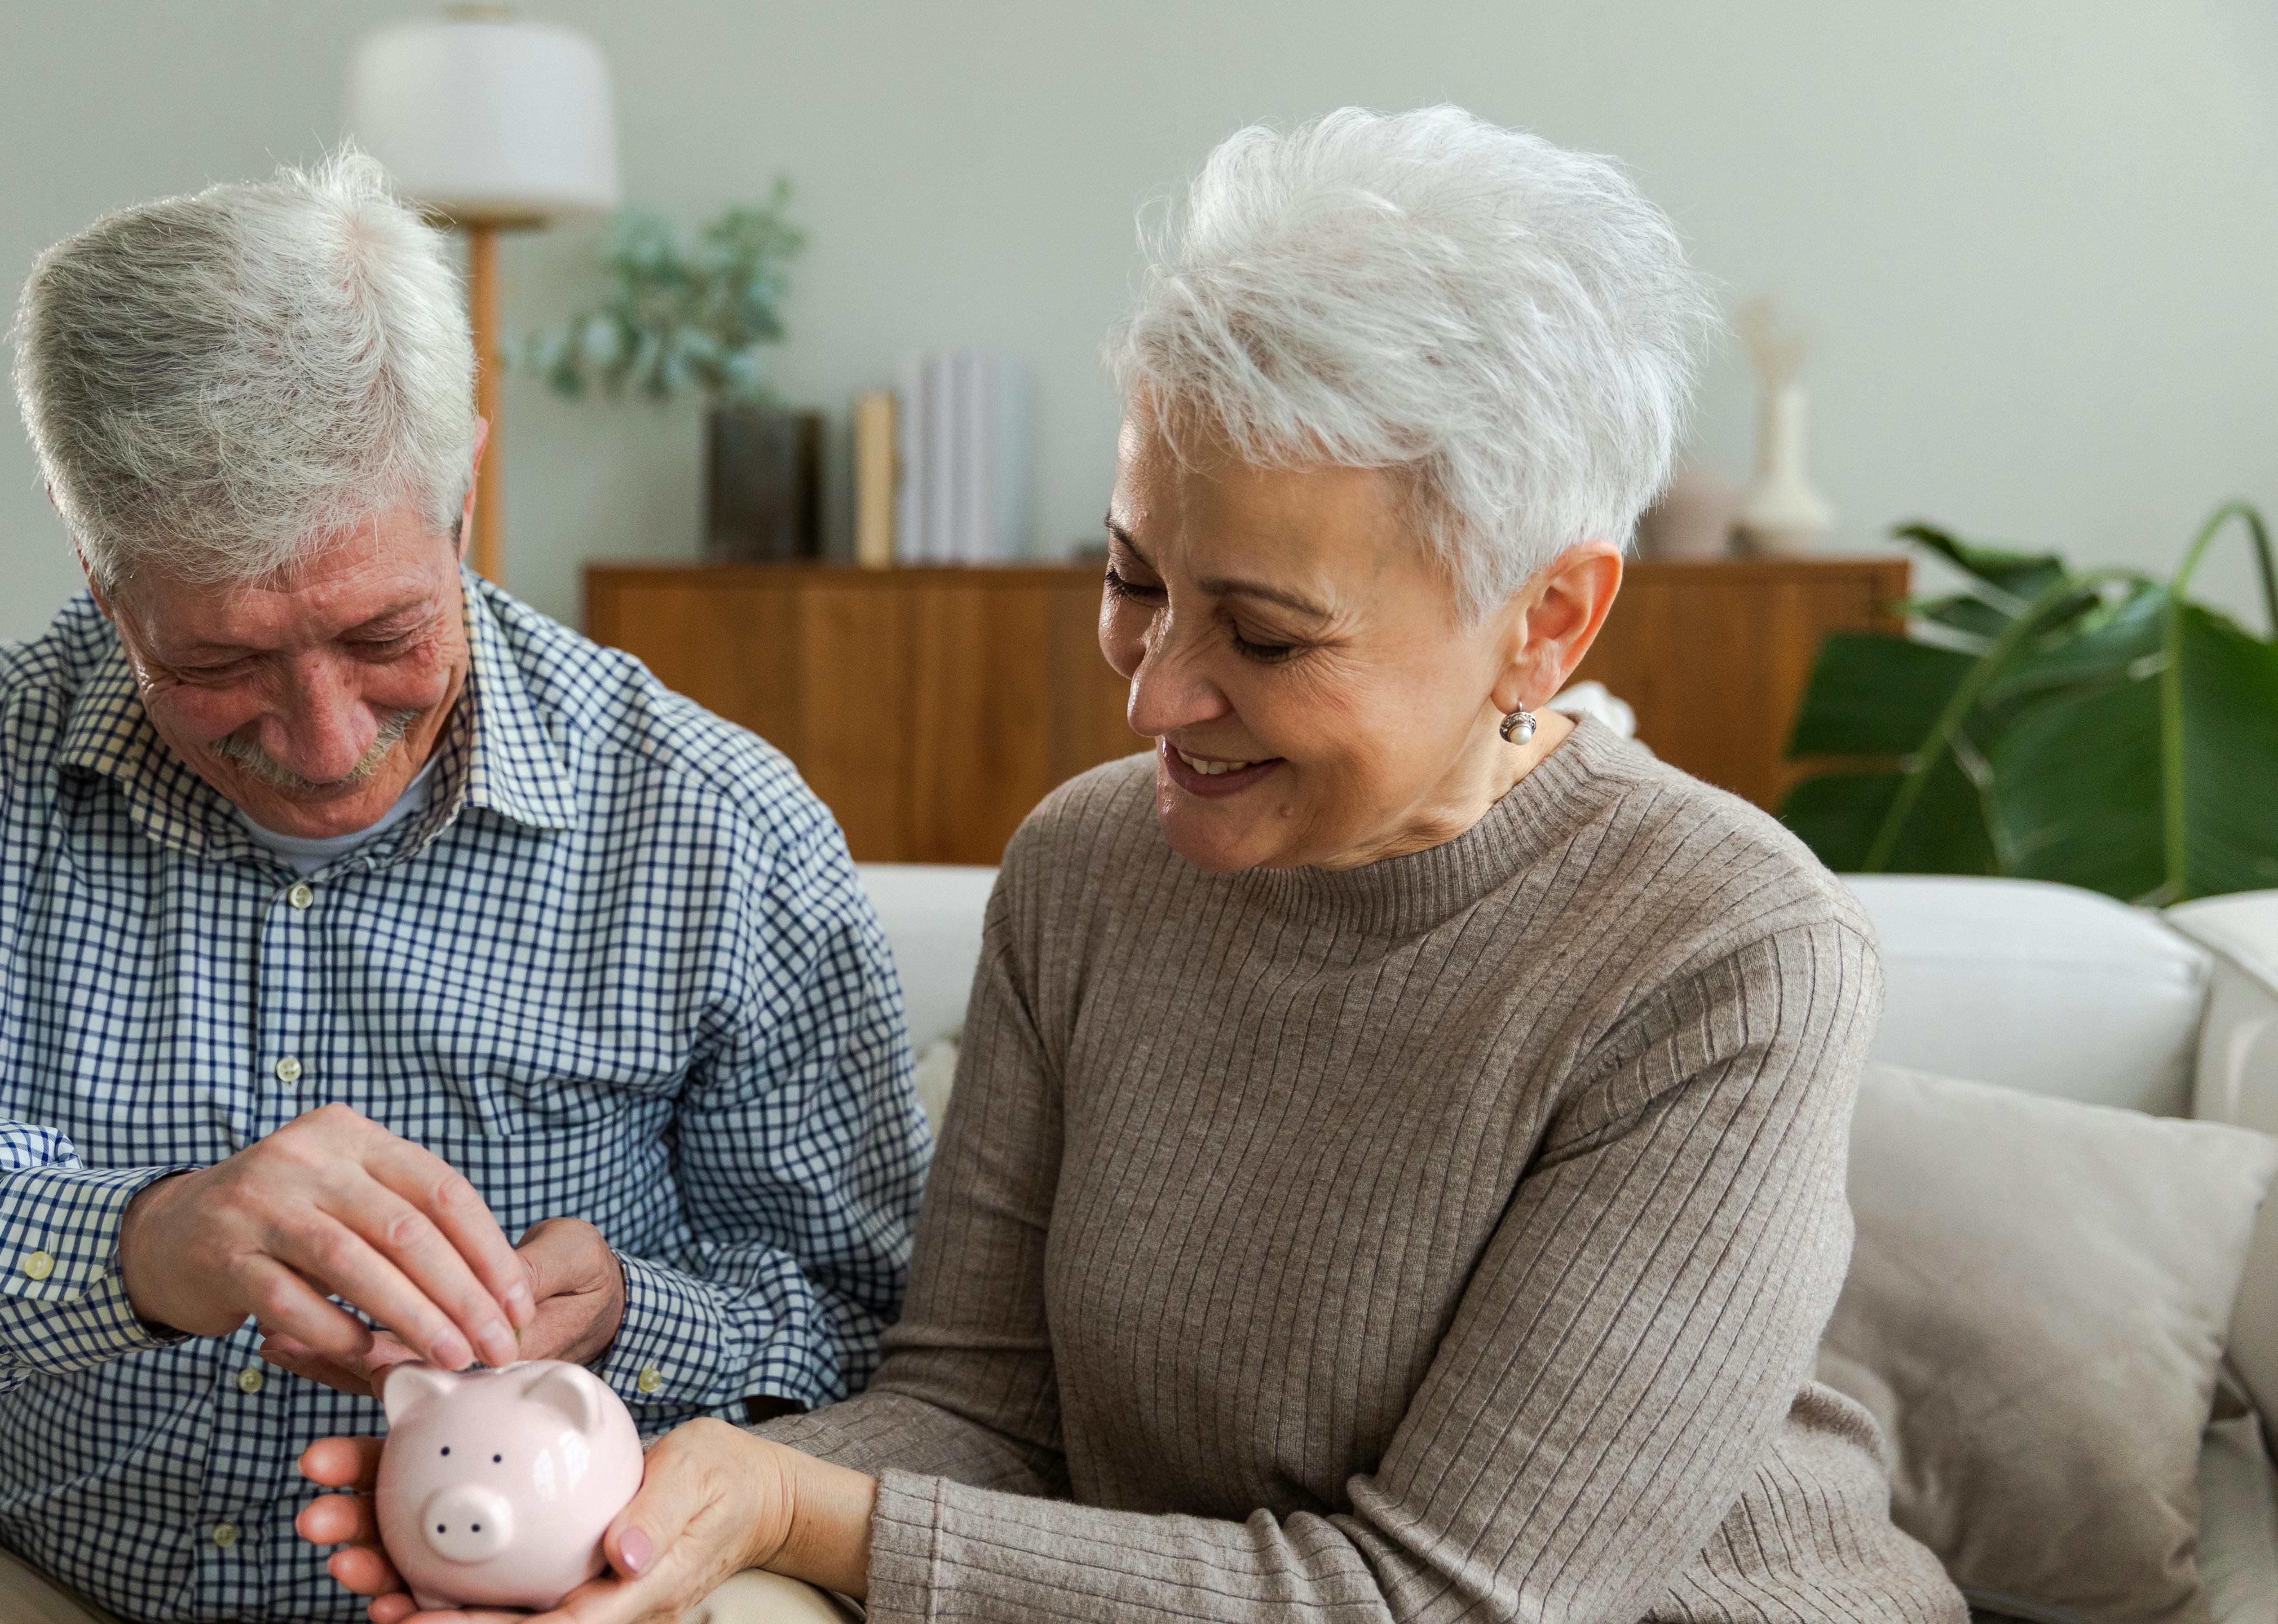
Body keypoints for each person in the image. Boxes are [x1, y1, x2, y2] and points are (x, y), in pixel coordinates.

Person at [295, 107, 1969, 1624]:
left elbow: (1446, 1605)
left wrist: (809, 1515)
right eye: (1132, 576)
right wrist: (618, 1514)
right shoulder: (1089, 869)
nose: (1154, 689)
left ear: (1545, 621)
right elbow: (976, 1410)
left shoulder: (1722, 955)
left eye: (1263, 631)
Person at [0, 150, 927, 1624]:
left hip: (529, 1595)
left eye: (385, 632)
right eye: (216, 661)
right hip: (42, 1585)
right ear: (93, 562)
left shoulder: (713, 821)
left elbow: (883, 1343)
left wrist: (632, 1326)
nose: (325, 740)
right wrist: (138, 1247)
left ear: (465, 483)